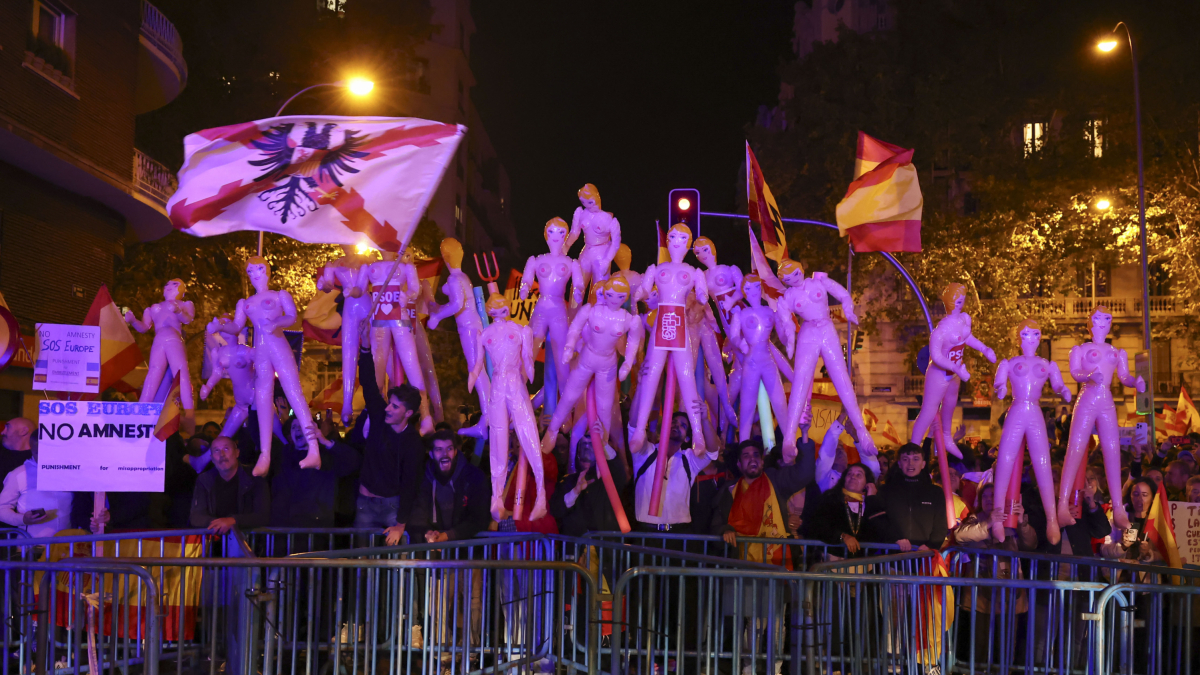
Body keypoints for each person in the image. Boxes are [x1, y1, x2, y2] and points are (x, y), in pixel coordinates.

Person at [356, 341, 426, 546]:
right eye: (389, 403)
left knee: (396, 561)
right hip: (365, 502)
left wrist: (401, 524)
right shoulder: (380, 416)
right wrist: (365, 349)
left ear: (408, 413)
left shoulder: (413, 443)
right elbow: (368, 385)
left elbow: (410, 484)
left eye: (395, 407)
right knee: (361, 561)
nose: (388, 409)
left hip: (392, 505)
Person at [713, 439, 816, 564]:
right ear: (739, 464)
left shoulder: (776, 481)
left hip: (777, 564)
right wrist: (725, 530)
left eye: (756, 455)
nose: (752, 459)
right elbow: (716, 523)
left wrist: (804, 436)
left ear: (762, 462)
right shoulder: (729, 490)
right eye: (746, 456)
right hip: (740, 564)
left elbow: (804, 473)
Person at [631, 407, 718, 536]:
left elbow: (712, 451)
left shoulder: (689, 459)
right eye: (673, 422)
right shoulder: (645, 452)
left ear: (687, 438)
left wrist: (704, 419)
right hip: (646, 534)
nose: (676, 425)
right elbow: (633, 428)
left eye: (683, 425)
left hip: (679, 534)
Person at [269, 420, 360, 528]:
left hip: (315, 527)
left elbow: (354, 462)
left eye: (302, 425)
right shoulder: (283, 454)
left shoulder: (326, 457)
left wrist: (326, 442)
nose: (297, 429)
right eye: (294, 427)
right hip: (281, 526)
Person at [408, 430, 491, 543]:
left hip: (466, 550)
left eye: (449, 449)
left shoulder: (474, 477)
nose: (445, 454)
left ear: (456, 451)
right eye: (439, 450)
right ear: (431, 454)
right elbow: (417, 516)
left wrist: (448, 536)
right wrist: (428, 533)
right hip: (433, 549)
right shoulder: (423, 478)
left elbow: (479, 518)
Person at [550, 422, 628, 536]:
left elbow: (618, 469)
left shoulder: (607, 480)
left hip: (602, 549)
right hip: (575, 549)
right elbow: (556, 509)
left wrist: (603, 443)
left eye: (591, 445)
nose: (587, 450)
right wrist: (575, 492)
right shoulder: (567, 482)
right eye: (584, 445)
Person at [874, 442, 949, 551]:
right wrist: (895, 539)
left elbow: (940, 525)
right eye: (905, 459)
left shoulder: (935, 492)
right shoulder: (885, 490)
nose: (910, 463)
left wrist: (931, 546)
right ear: (899, 463)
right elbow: (879, 521)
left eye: (916, 459)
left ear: (923, 464)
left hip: (923, 557)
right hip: (892, 556)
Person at [189, 437, 270, 533]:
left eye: (226, 449)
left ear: (237, 453)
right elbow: (196, 516)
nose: (222, 454)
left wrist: (233, 521)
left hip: (247, 542)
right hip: (214, 541)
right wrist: (218, 524)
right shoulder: (204, 480)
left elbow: (263, 515)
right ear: (212, 458)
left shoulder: (254, 477)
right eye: (216, 450)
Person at [0, 435, 72, 537]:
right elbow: (2, 508)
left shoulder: (71, 472)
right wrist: (22, 519)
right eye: (37, 452)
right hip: (31, 547)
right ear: (31, 449)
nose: (43, 456)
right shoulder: (19, 474)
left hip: (65, 547)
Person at [808, 463, 884, 555]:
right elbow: (818, 526)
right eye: (849, 474)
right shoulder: (830, 498)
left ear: (866, 484)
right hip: (834, 563)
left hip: (865, 564)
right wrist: (842, 536)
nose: (853, 477)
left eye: (858, 475)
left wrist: (872, 498)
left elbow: (881, 529)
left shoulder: (871, 503)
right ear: (844, 479)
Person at [1100, 477, 1162, 563]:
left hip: (1146, 574)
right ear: (1130, 495)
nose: (1139, 499)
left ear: (1152, 498)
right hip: (1121, 573)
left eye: (1144, 495)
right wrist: (1123, 546)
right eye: (1136, 494)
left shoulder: (1159, 520)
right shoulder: (1118, 515)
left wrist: (1148, 553)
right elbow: (1104, 550)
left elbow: (1166, 554)